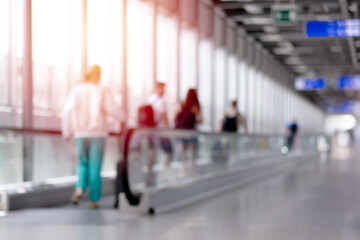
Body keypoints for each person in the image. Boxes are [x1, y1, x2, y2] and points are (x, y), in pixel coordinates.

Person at [62, 65, 124, 209]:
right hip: (97, 134)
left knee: (83, 163)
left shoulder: (76, 90)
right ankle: (93, 200)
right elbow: (112, 109)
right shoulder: (102, 90)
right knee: (95, 166)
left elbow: (67, 111)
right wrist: (123, 118)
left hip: (80, 134)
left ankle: (79, 188)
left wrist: (66, 131)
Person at [145, 82, 173, 183]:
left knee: (151, 154)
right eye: (163, 88)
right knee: (170, 153)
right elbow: (164, 116)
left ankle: (149, 178)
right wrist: (169, 129)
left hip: (150, 131)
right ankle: (161, 176)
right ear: (158, 88)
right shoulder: (161, 101)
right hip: (160, 131)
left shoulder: (150, 99)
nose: (164, 91)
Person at [175, 89, 203, 175]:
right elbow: (201, 120)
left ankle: (182, 173)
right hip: (191, 133)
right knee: (192, 157)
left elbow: (175, 117)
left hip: (182, 133)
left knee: (183, 156)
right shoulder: (195, 106)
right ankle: (192, 173)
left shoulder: (182, 104)